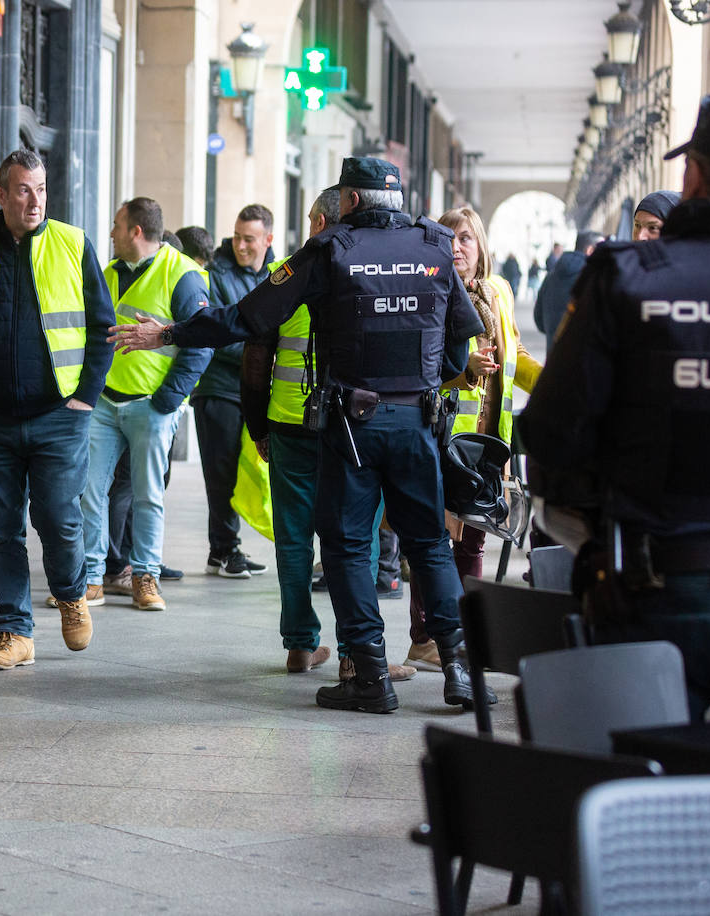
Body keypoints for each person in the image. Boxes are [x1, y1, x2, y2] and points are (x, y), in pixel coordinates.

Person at [112, 157, 492, 715]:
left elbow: (246, 318)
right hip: (418, 425)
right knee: (430, 545)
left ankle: (368, 675)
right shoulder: (435, 246)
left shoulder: (328, 250)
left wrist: (166, 332)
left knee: (344, 545)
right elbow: (461, 346)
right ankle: (459, 670)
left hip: (353, 428)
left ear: (352, 202)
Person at [518, 95, 710, 720]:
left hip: (654, 589)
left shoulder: (626, 278)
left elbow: (550, 432)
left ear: (693, 175)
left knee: (648, 785)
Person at [0, 149, 115, 670]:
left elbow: (103, 328)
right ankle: (14, 631)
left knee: (59, 518)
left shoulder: (72, 242)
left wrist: (84, 398)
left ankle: (71, 592)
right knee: (3, 528)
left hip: (59, 414)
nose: (34, 200)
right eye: (22, 190)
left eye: (40, 190)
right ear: (1, 195)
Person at [240, 186, 414, 679]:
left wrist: (257, 424)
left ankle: (299, 645)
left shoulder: (287, 276)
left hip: (289, 422)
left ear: (318, 222)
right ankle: (355, 653)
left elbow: (257, 356)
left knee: (293, 539)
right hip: (351, 430)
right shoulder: (365, 273)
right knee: (352, 540)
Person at [402, 207, 543, 673]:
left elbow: (515, 352)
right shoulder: (427, 289)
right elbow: (412, 368)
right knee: (436, 541)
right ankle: (425, 639)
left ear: (480, 246)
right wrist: (464, 374)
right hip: (440, 441)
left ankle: (468, 637)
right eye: (448, 238)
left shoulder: (498, 291)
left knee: (475, 544)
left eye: (466, 238)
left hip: (486, 447)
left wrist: (554, 386)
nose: (457, 246)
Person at [80, 197, 211, 611]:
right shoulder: (108, 273)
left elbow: (201, 341)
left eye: (117, 225)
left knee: (147, 495)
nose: (112, 233)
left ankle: (145, 578)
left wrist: (167, 401)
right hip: (104, 404)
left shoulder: (184, 274)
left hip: (151, 407)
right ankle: (89, 578)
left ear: (136, 231)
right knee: (88, 491)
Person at [193, 204, 275, 578]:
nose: (240, 245)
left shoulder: (278, 274)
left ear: (268, 240)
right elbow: (216, 333)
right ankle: (225, 549)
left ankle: (223, 549)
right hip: (219, 389)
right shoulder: (216, 274)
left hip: (256, 392)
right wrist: (264, 355)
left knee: (247, 472)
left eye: (249, 239)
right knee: (221, 471)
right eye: (237, 237)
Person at [534, 229, 603, 353]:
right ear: (590, 250)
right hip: (585, 361)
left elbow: (538, 318)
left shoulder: (550, 276)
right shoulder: (595, 278)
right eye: (603, 249)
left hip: (554, 360)